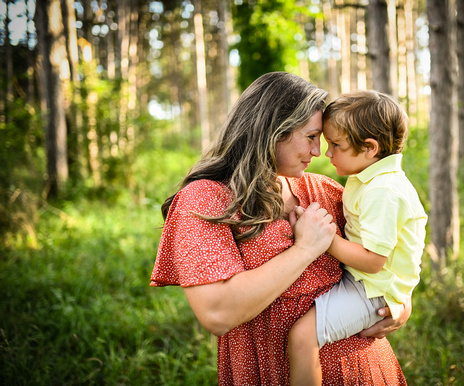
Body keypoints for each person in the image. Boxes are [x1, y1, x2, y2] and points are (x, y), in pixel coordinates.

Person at [150, 72, 411, 385]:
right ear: (273, 130)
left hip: (363, 370)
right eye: (311, 137)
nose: (318, 152)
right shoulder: (206, 199)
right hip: (269, 371)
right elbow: (217, 314)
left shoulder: (324, 190)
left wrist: (400, 305)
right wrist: (306, 248)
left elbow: (382, 258)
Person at [287, 90, 427, 385]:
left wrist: (326, 238)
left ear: (369, 148)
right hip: (367, 283)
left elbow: (374, 261)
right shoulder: (370, 178)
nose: (326, 153)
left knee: (302, 338)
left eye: (335, 145)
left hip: (373, 290)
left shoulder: (382, 192)